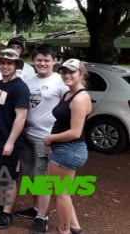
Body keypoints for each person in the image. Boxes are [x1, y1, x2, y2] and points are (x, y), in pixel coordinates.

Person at [14, 44, 68, 234]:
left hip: (46, 137)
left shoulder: (60, 82)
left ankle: (41, 217)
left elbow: (68, 108)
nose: (42, 63)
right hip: (27, 134)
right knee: (28, 176)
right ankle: (36, 207)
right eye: (39, 60)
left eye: (47, 60)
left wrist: (59, 137)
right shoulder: (28, 80)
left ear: (54, 61)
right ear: (34, 61)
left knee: (42, 178)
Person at [43, 59, 91, 234]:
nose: (66, 75)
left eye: (71, 72)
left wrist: (50, 138)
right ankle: (75, 228)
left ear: (81, 74)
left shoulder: (80, 98)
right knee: (64, 192)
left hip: (69, 149)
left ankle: (63, 230)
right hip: (65, 150)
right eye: (63, 72)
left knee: (60, 193)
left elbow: (75, 132)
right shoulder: (68, 94)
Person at [0, 48, 30, 229]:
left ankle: (7, 213)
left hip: (9, 140)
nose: (5, 66)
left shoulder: (20, 87)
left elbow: (21, 118)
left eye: (9, 63)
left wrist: (10, 142)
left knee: (9, 177)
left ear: (16, 65)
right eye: (2, 63)